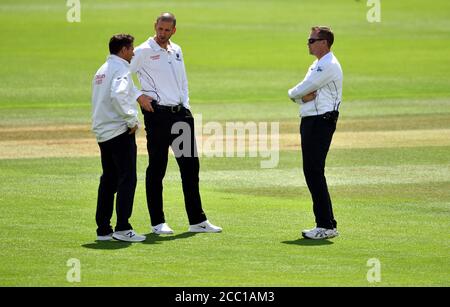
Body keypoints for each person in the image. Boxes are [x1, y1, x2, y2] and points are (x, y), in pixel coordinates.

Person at [131, 13, 222, 234]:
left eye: (167, 30)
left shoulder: (177, 50)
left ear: (174, 30)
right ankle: (157, 222)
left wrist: (186, 106)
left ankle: (197, 220)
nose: (162, 34)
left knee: (190, 168)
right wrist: (139, 96)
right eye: (159, 29)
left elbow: (183, 82)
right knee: (157, 168)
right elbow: (121, 77)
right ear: (155, 26)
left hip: (181, 115)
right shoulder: (143, 51)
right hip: (157, 116)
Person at [91, 34, 153, 242]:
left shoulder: (102, 70)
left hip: (103, 132)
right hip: (119, 131)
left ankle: (103, 229)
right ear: (124, 50)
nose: (134, 52)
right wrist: (131, 120)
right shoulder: (121, 70)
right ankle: (123, 228)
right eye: (131, 48)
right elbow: (118, 95)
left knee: (109, 179)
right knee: (128, 178)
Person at [287, 26, 343, 240]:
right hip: (312, 119)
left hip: (321, 121)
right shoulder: (317, 64)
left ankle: (326, 225)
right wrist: (300, 98)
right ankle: (326, 223)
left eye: (312, 40)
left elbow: (303, 88)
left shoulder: (328, 65)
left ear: (324, 42)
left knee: (314, 172)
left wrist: (293, 95)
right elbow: (305, 94)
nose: (308, 43)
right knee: (312, 171)